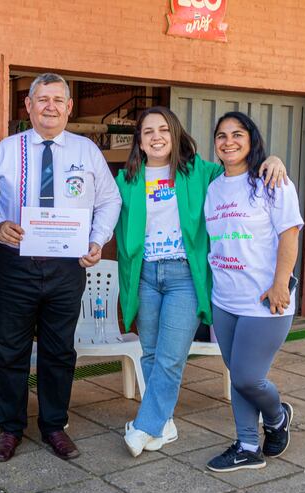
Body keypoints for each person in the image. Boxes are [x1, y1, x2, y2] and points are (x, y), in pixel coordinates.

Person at [115, 106, 287, 457]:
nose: (156, 136)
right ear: (140, 141)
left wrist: (275, 159)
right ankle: (163, 422)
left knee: (170, 356)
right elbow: (101, 208)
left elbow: (237, 166)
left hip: (183, 277)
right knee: (149, 351)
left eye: (163, 129)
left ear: (175, 134)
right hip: (145, 275)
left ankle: (145, 425)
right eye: (148, 132)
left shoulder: (199, 172)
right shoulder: (127, 180)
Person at [0, 72, 122, 462]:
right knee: (11, 351)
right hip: (16, 265)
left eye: (58, 100)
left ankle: (54, 426)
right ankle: (10, 429)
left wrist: (97, 238)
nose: (50, 107)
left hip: (67, 267)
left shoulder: (87, 152)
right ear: (28, 105)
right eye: (42, 99)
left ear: (70, 107)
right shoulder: (6, 150)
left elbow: (110, 200)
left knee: (59, 351)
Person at [204, 112, 302, 472]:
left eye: (237, 134)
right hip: (224, 299)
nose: (228, 141)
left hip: (264, 300)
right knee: (237, 374)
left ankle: (276, 418)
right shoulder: (214, 187)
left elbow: (289, 234)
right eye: (221, 135)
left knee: (247, 376)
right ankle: (247, 445)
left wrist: (281, 283)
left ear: (251, 139)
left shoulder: (271, 181)